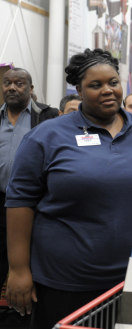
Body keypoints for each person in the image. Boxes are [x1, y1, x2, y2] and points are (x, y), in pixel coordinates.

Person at [4, 48, 132, 329]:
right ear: (79, 91)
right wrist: (18, 269)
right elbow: (19, 202)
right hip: (65, 282)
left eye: (113, 83)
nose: (107, 90)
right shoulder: (47, 136)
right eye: (95, 85)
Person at [0, 68, 58, 305]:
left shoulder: (47, 117)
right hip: (0, 201)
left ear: (31, 89)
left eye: (19, 83)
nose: (12, 88)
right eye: (7, 83)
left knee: (27, 266)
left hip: (34, 205)